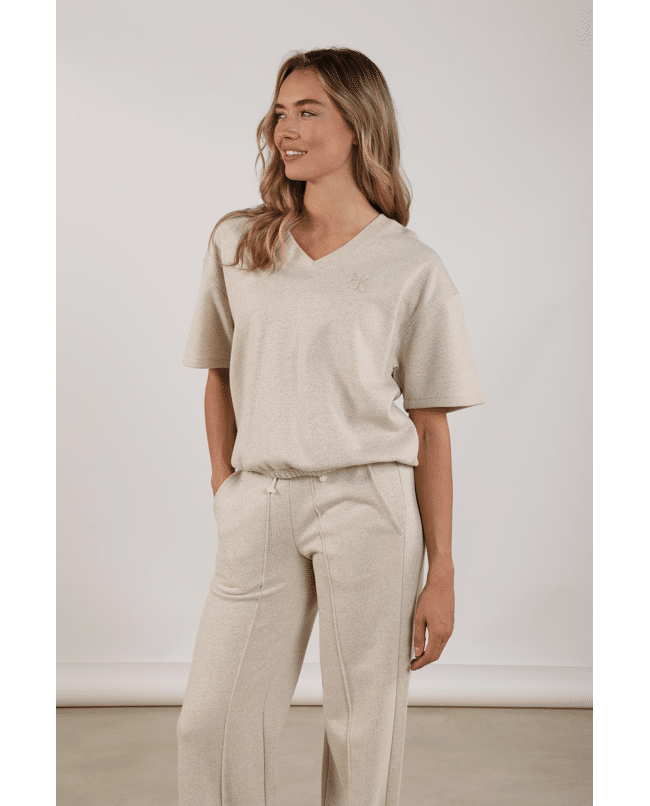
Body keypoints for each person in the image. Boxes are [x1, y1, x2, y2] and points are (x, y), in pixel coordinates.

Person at [176, 47, 485, 806]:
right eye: (280, 112)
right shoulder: (239, 241)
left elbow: (431, 426)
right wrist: (226, 487)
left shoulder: (411, 267)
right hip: (261, 499)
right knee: (212, 724)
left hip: (370, 504)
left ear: (359, 125)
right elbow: (219, 374)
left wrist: (442, 570)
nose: (286, 129)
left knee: (362, 728)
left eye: (308, 111)